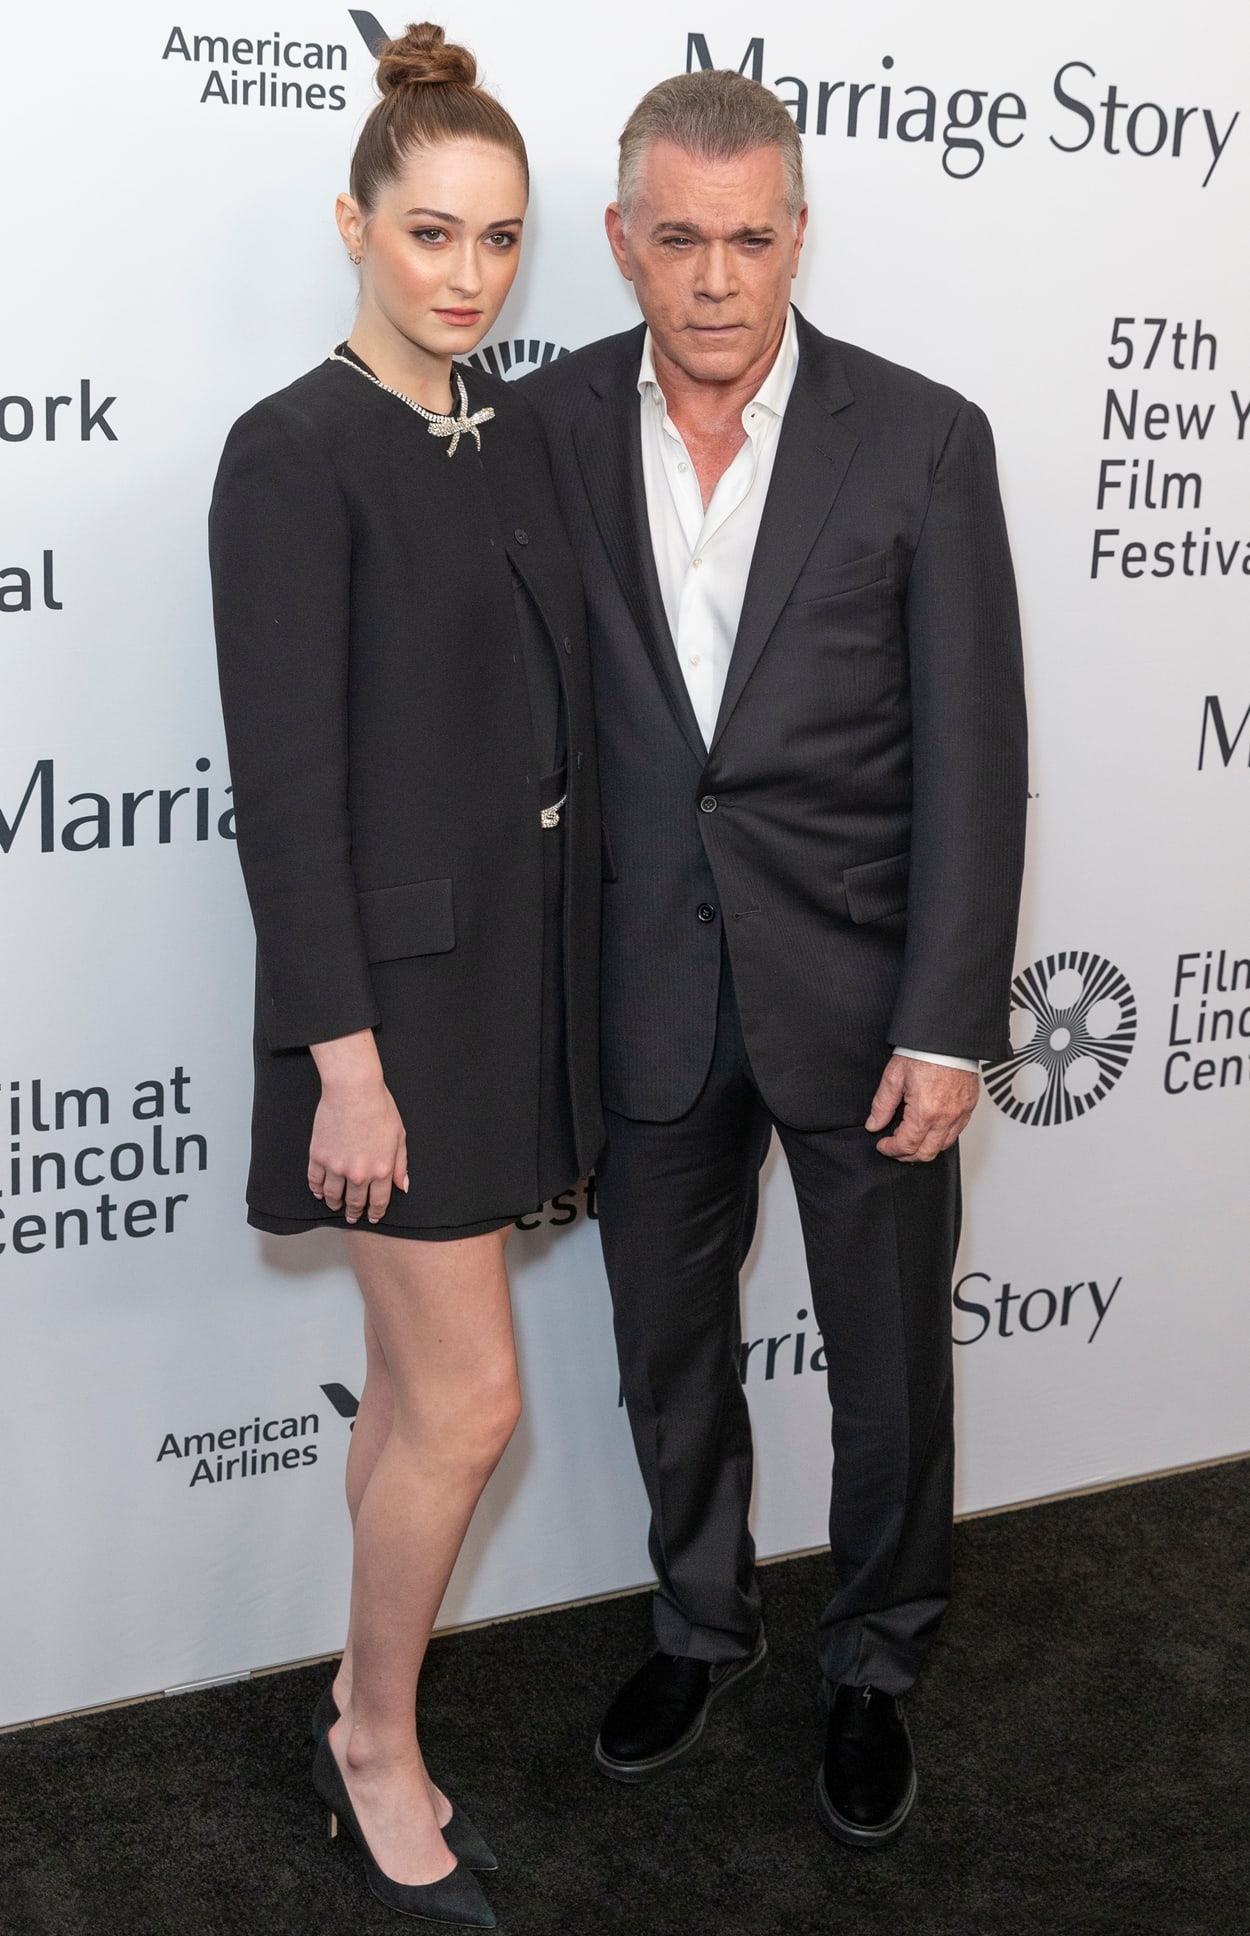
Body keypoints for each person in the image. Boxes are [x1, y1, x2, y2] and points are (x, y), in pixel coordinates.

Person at [524, 68, 1026, 1847]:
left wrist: (955, 1019)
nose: (718, 278)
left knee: (891, 1355)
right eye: (680, 239)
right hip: (641, 994)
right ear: (620, 245)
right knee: (669, 1345)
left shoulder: (921, 437)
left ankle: (877, 1658)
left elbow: (976, 747)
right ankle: (698, 1617)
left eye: (750, 238)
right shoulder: (543, 434)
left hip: (866, 994)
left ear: (796, 236)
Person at [209, 23, 602, 1925]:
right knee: (470, 1405)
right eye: (430, 232)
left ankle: (361, 1708)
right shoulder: (288, 456)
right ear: (351, 221)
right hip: (387, 1017)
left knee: (408, 1388)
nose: (466, 275)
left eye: (502, 240)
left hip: (506, 996)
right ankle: (377, 1739)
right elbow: (285, 800)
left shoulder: (505, 425)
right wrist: (339, 1062)